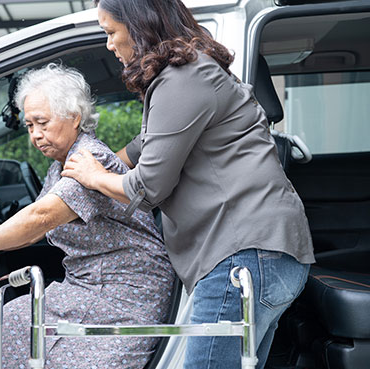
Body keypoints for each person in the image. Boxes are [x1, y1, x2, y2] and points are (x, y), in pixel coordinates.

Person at [61, 1, 315, 368]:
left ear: (140, 25)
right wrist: (96, 160)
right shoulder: (194, 72)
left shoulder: (181, 79)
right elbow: (144, 147)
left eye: (110, 32)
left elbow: (149, 186)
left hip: (242, 257)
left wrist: (95, 177)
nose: (108, 45)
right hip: (269, 254)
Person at [0, 63, 175, 368]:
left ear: (74, 117)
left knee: (8, 328)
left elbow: (42, 218)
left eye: (42, 122)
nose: (35, 134)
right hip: (89, 287)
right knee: (7, 324)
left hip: (125, 291)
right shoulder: (61, 164)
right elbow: (39, 226)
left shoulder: (88, 158)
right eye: (29, 125)